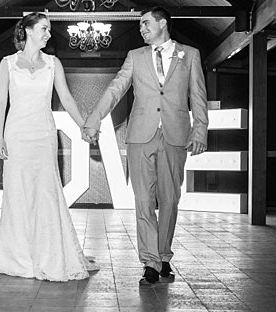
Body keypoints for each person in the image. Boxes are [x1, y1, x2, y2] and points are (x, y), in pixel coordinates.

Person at [82, 6, 208, 285]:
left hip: (176, 135)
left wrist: (200, 129)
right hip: (140, 135)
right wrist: (94, 119)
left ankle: (164, 256)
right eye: (140, 25)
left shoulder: (190, 55)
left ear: (163, 23)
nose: (141, 28)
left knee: (170, 200)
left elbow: (198, 94)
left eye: (145, 23)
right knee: (143, 202)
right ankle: (150, 261)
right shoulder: (135, 57)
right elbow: (116, 88)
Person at [0, 12, 98, 281]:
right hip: (16, 136)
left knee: (46, 194)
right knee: (17, 194)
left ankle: (50, 256)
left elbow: (67, 98)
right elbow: (0, 103)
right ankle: (18, 258)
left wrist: (84, 125)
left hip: (44, 137)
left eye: (49, 30)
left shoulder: (53, 64)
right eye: (44, 29)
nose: (49, 34)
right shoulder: (7, 64)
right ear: (27, 30)